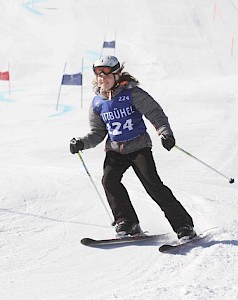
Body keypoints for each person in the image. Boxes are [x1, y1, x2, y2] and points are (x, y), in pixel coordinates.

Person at [69, 55, 196, 240]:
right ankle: (128, 223)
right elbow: (97, 132)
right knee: (109, 181)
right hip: (115, 150)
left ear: (117, 75)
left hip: (138, 146)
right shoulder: (97, 102)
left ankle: (184, 225)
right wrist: (81, 142)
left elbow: (155, 113)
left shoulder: (132, 93)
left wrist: (165, 133)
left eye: (106, 75)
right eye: (99, 76)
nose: (102, 79)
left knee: (153, 185)